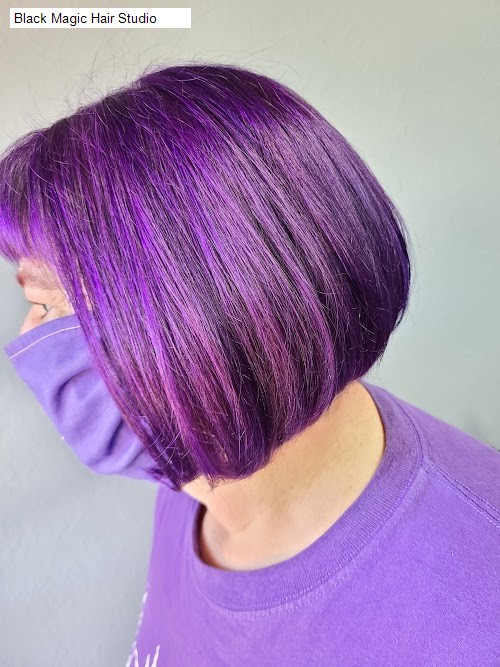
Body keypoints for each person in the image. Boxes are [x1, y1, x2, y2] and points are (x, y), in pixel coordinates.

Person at [1, 63, 499, 667]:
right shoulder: (193, 472)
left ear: (214, 315)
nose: (27, 337)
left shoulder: (475, 611)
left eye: (47, 304)